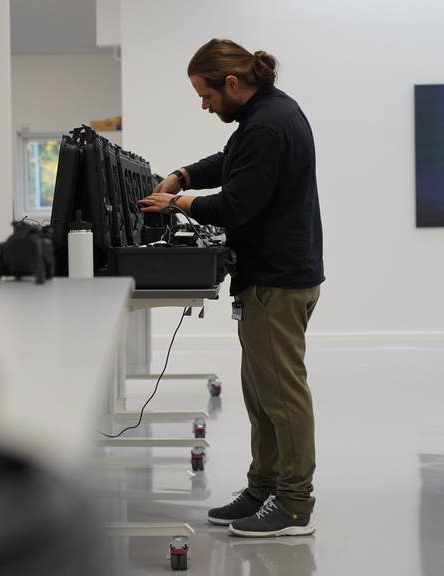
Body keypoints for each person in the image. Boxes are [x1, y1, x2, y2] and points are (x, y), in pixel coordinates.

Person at [139, 38, 324, 538]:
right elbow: (230, 161)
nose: (204, 104)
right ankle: (263, 488)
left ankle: (294, 505)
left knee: (281, 397)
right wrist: (180, 176)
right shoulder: (263, 117)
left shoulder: (267, 122)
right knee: (261, 395)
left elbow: (236, 204)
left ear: (233, 84)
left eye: (206, 95)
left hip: (276, 280)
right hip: (270, 275)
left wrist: (176, 204)